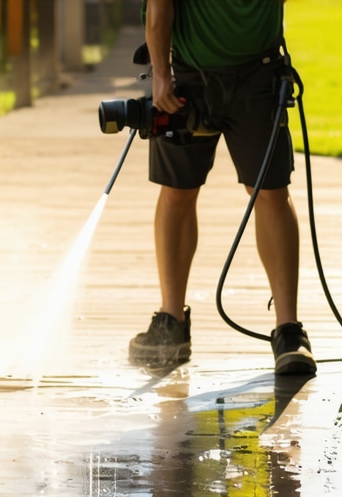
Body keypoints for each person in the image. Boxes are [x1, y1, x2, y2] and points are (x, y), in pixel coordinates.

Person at [128, 0, 317, 375]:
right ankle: (171, 322)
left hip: (260, 75)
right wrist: (162, 75)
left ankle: (289, 333)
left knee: (270, 191)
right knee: (176, 191)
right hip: (186, 79)